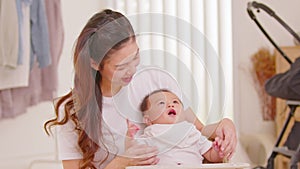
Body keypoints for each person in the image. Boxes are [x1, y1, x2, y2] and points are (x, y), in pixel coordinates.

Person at [44, 9, 237, 169]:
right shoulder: (73, 111)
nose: (132, 70)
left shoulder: (156, 81)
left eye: (135, 56)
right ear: (95, 64)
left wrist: (224, 125)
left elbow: (197, 132)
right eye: (121, 66)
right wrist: (122, 162)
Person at [126, 89, 224, 166]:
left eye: (175, 102)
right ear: (148, 120)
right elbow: (133, 154)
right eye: (161, 103)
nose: (170, 104)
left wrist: (219, 150)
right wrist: (129, 137)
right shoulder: (150, 135)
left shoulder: (191, 132)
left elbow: (211, 155)